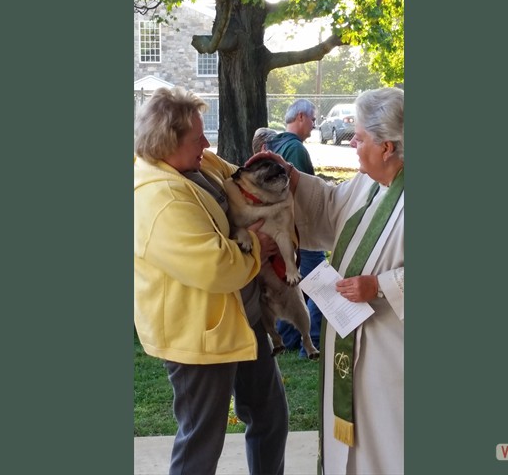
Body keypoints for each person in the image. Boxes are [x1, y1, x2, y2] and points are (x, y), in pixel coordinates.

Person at [249, 87, 405, 474]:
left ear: (387, 146)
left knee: (388, 436)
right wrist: (292, 178)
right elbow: (331, 207)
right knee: (358, 436)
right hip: (353, 343)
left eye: (362, 137)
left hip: (390, 351)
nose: (353, 141)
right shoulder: (370, 183)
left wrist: (380, 286)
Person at [134, 86, 289, 475]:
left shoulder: (198, 164)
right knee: (201, 443)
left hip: (241, 318)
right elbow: (216, 269)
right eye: (197, 137)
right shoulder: (159, 199)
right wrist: (258, 244)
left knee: (270, 416)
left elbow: (235, 174)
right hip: (198, 336)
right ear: (166, 143)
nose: (206, 143)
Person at [266, 99, 325, 358]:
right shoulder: (296, 150)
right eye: (313, 119)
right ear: (301, 117)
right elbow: (299, 194)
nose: (314, 125)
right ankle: (310, 342)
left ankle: (288, 338)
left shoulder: (274, 145)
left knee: (292, 286)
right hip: (301, 230)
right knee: (323, 284)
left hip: (282, 232)